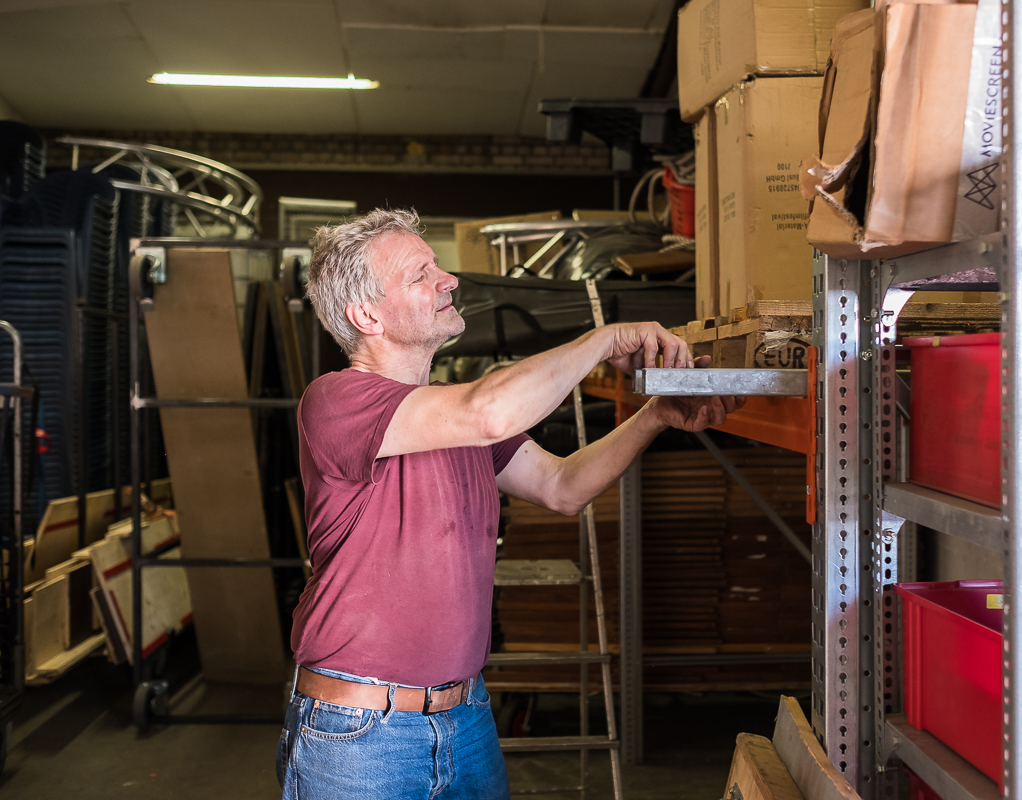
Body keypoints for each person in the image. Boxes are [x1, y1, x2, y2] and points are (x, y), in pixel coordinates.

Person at [276, 208, 743, 799]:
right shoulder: (337, 400)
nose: (448, 280)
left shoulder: (457, 414)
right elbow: (490, 410)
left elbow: (562, 486)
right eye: (421, 275)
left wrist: (657, 416)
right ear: (366, 315)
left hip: (465, 714)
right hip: (360, 732)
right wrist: (601, 339)